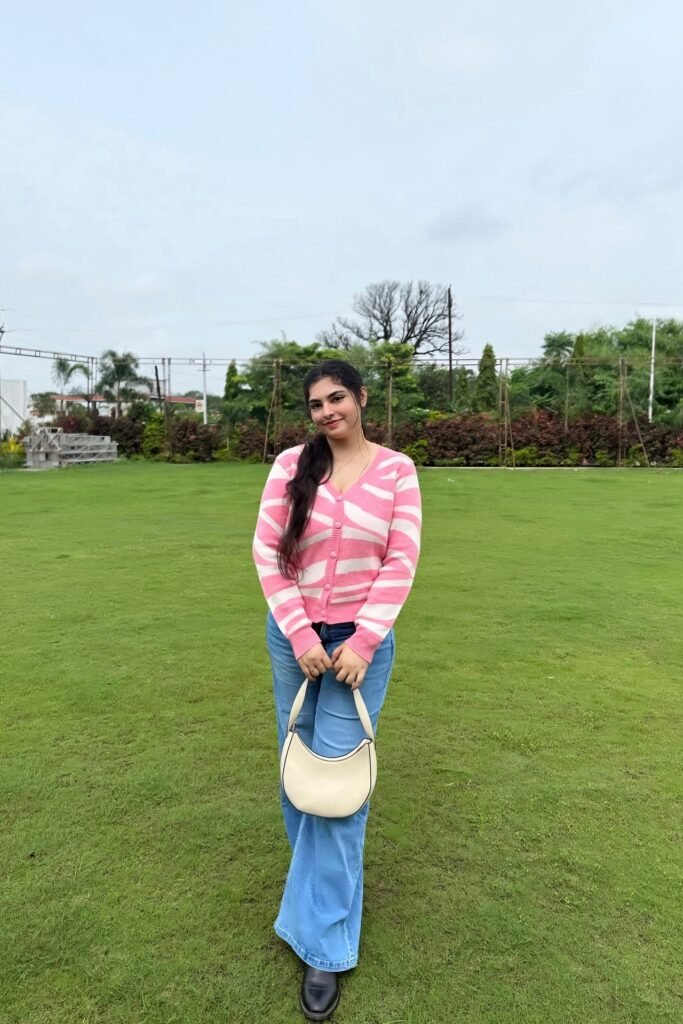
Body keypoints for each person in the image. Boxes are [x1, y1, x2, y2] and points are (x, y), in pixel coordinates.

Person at [252, 358, 421, 1021]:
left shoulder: (395, 471)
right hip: (294, 640)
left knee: (340, 788)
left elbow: (399, 559)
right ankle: (327, 898)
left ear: (361, 399)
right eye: (316, 403)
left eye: (337, 398)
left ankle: (323, 946)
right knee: (299, 774)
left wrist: (363, 639)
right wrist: (300, 635)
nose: (327, 411)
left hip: (359, 646)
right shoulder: (291, 466)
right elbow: (269, 553)